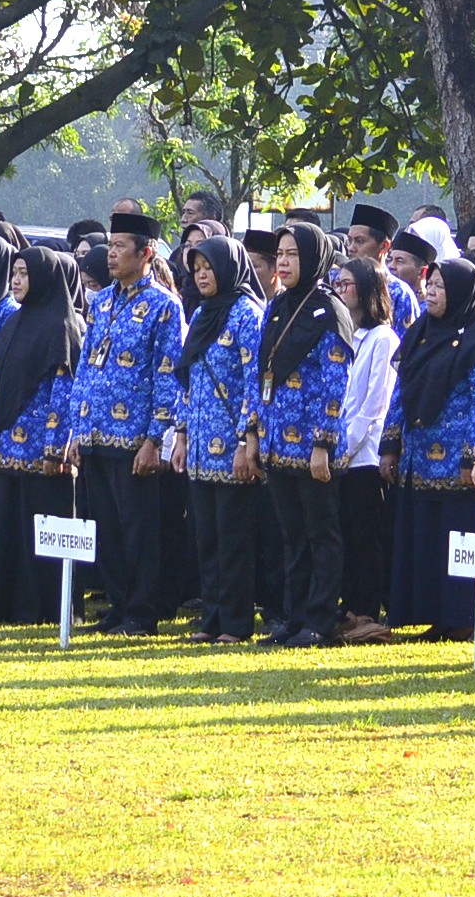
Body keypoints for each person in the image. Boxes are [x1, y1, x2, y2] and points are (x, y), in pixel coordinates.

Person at [69, 213, 183, 635]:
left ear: (146, 253)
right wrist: (76, 429)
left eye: (120, 247)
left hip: (134, 436)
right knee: (107, 528)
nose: (111, 254)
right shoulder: (101, 302)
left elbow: (168, 374)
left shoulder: (164, 306)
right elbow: (85, 366)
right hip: (95, 430)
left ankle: (141, 611)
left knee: (138, 529)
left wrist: (155, 439)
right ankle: (117, 605)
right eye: (110, 246)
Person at [251, 219, 355, 645]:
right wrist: (255, 433)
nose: (285, 262)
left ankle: (318, 620)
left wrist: (322, 444)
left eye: (293, 254)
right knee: (291, 536)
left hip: (314, 447)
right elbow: (263, 374)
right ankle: (293, 619)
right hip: (278, 440)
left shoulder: (330, 310)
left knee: (320, 534)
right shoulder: (278, 305)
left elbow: (334, 385)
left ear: (313, 257)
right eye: (281, 255)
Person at [385, 259, 475, 636]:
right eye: (430, 285)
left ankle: (459, 617)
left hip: (455, 461)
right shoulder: (420, 332)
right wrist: (391, 444)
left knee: (454, 533)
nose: (430, 292)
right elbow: (401, 392)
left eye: (441, 287)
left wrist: (473, 455)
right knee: (424, 536)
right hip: (418, 454)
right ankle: (429, 612)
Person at [172, 235, 268, 642]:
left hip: (231, 448)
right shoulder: (200, 315)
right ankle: (210, 620)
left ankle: (235, 623)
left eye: (208, 267)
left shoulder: (247, 314)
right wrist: (179, 435)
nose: (202, 275)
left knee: (233, 541)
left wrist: (249, 442)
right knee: (206, 538)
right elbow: (187, 379)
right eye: (196, 270)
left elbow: (254, 381)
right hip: (197, 447)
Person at [0, 242, 80, 624]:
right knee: (7, 529)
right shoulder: (12, 323)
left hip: (42, 452)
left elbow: (64, 391)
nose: (18, 281)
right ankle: (4, 606)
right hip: (7, 444)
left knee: (41, 529)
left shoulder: (61, 326)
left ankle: (44, 609)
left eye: (25, 274)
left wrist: (55, 448)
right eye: (15, 274)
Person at [335, 257, 402, 638]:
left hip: (364, 455)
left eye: (347, 284)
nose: (340, 291)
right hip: (340, 452)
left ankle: (367, 609)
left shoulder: (383, 339)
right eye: (338, 284)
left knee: (365, 536)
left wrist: (344, 448)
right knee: (344, 533)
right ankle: (348, 606)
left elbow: (375, 406)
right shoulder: (345, 333)